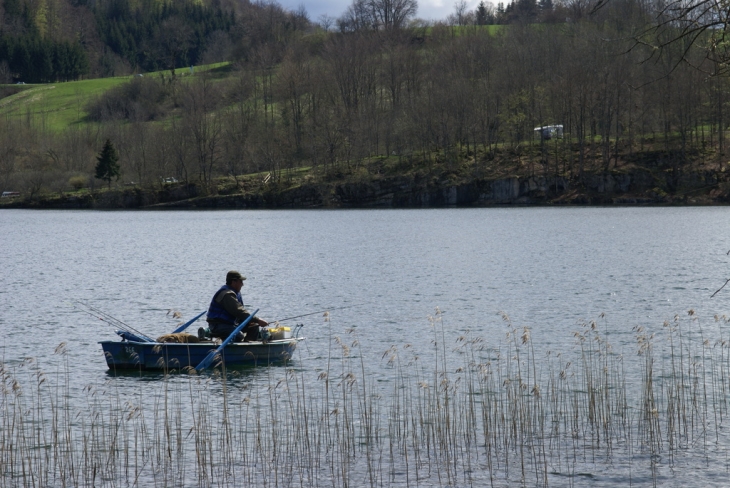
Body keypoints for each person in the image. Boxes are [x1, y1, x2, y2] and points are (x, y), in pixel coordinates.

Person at [205, 270, 268, 342]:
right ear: (234, 282)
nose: (242, 284)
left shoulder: (235, 292)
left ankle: (248, 350)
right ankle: (229, 348)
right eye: (240, 281)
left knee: (254, 326)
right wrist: (257, 320)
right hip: (218, 325)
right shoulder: (227, 294)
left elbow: (240, 314)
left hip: (229, 324)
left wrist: (250, 321)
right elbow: (238, 311)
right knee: (238, 335)